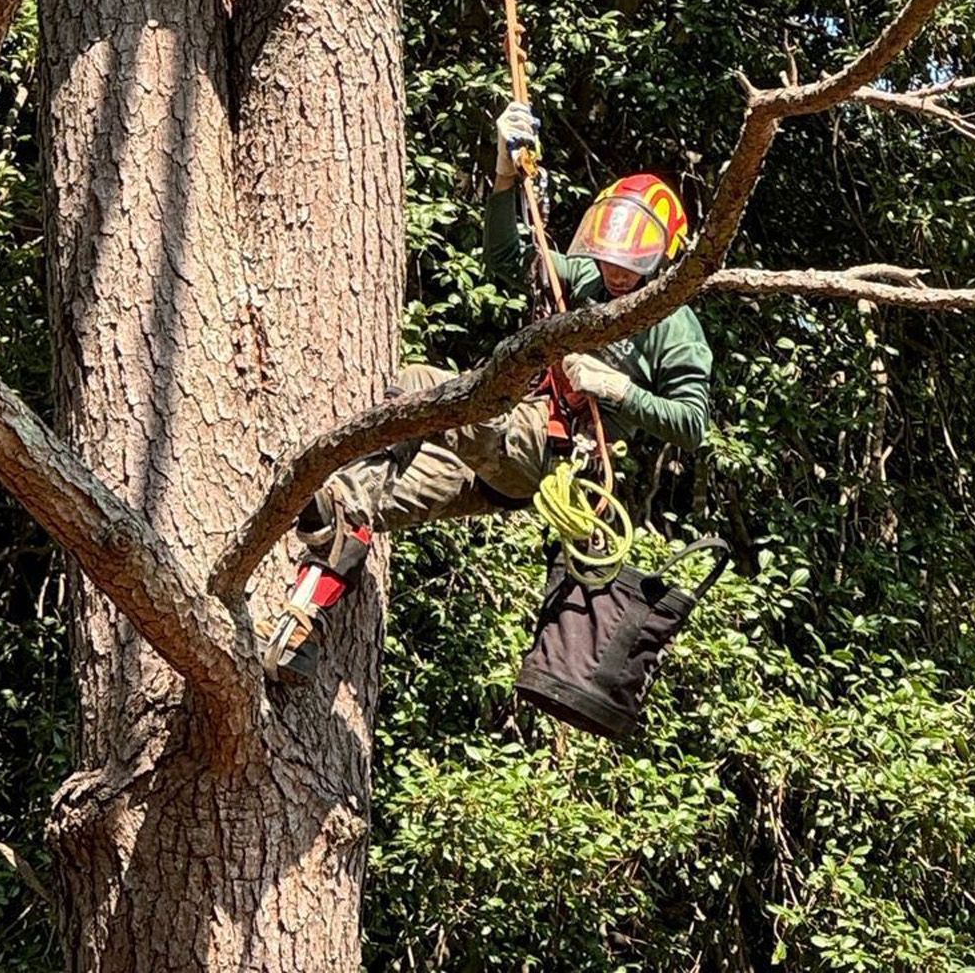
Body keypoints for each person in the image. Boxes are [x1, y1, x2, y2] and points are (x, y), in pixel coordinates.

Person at [259, 102, 714, 686]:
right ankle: (305, 621)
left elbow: (692, 423)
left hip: (553, 457)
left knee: (420, 386)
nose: (615, 276)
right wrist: (504, 180)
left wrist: (618, 389)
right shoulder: (581, 279)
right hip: (498, 451)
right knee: (359, 497)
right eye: (607, 262)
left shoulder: (674, 328)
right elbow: (506, 259)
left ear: (660, 261)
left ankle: (333, 541)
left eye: (629, 267)